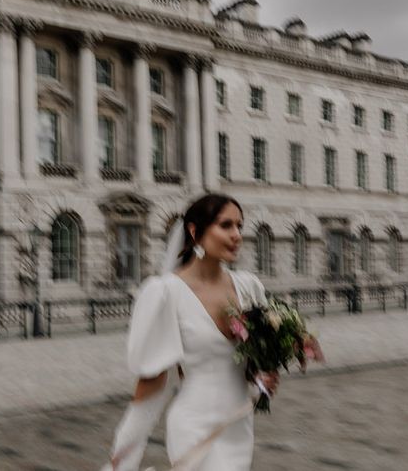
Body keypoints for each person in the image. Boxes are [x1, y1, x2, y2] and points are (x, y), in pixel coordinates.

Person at [104, 193, 279, 471]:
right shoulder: (165, 292)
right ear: (195, 231)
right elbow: (151, 382)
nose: (236, 235)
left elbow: (252, 363)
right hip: (193, 425)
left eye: (239, 226)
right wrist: (125, 453)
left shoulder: (250, 288)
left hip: (237, 424)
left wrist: (262, 380)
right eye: (225, 225)